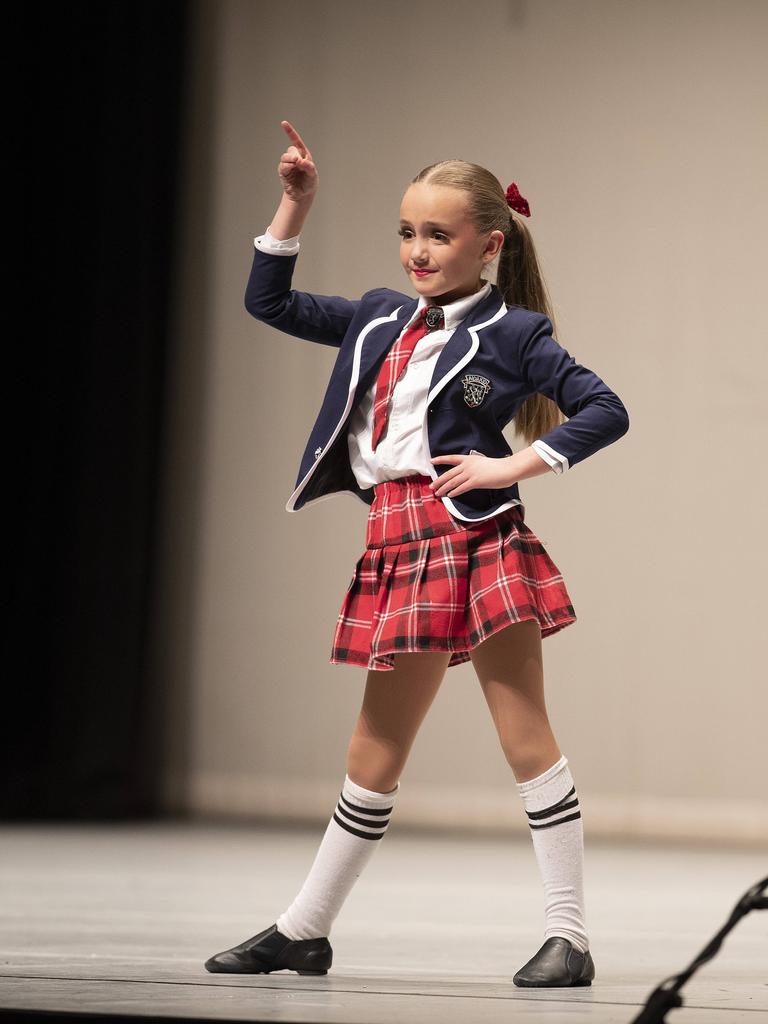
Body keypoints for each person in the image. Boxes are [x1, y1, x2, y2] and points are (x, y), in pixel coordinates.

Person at [204, 120, 630, 988]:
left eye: (438, 234)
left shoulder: (514, 333)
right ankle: (306, 929)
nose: (418, 250)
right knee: (374, 750)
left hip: (477, 541)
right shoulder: (378, 317)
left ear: (489, 244)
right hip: (398, 542)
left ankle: (570, 935)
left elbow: (604, 408)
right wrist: (295, 204)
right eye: (407, 232)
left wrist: (512, 462)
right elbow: (270, 303)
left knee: (524, 736)